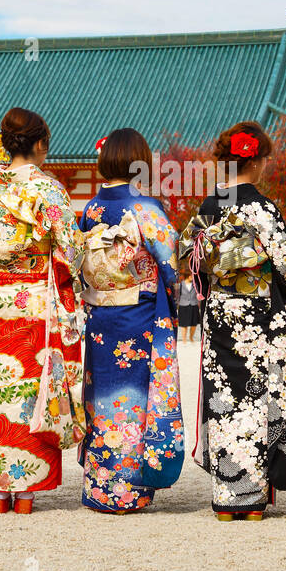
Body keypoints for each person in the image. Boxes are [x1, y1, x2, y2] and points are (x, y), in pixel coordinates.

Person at [179, 120, 286, 520]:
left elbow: (188, 258)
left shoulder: (208, 207)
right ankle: (254, 502)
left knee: (226, 400)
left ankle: (227, 497)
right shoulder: (262, 208)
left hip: (220, 312)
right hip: (260, 317)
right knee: (259, 397)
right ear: (259, 161)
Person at [0, 108, 85, 514]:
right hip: (33, 301)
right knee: (31, 389)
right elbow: (73, 249)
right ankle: (26, 494)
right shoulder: (48, 191)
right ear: (39, 144)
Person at [77, 128, 183, 514]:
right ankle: (129, 490)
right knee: (132, 401)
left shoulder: (90, 209)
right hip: (137, 317)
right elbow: (172, 262)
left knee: (102, 399)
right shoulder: (145, 208)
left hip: (101, 317)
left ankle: (100, 486)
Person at [176, 269, 200, 342]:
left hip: (194, 304)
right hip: (183, 305)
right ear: (188, 276)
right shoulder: (181, 285)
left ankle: (191, 337)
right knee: (184, 323)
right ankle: (184, 339)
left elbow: (198, 294)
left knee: (194, 323)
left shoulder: (195, 285)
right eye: (192, 276)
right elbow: (178, 295)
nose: (193, 278)